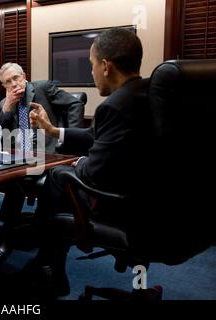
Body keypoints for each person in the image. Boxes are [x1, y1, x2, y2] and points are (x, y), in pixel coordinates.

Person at [26, 28, 150, 296]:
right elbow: (95, 136)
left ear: (105, 66)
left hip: (122, 204)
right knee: (60, 177)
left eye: (91, 65)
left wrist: (77, 162)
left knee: (58, 177)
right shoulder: (148, 93)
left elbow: (94, 173)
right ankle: (45, 258)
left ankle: (49, 267)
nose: (91, 73)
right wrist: (53, 130)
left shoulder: (115, 105)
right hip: (155, 199)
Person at [0, 62, 84, 261]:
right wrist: (7, 107)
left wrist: (68, 143)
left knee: (15, 181)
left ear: (24, 76)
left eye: (16, 78)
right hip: (18, 154)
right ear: (4, 86)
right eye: (8, 82)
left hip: (46, 152)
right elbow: (0, 130)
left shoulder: (42, 88)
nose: (14, 84)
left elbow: (75, 104)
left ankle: (7, 235)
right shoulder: (4, 103)